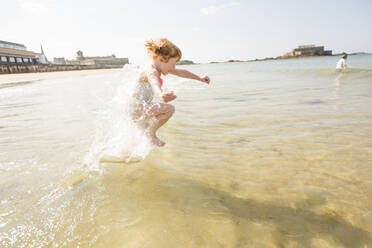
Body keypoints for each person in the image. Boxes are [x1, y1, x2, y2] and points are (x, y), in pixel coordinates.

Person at [131, 38, 210, 147]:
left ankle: (142, 140)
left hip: (139, 110)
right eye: (173, 64)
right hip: (136, 110)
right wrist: (160, 94)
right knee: (169, 109)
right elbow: (154, 82)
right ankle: (151, 134)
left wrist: (199, 78)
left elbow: (182, 72)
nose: (174, 68)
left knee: (140, 143)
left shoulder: (159, 66)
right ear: (161, 59)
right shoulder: (151, 69)